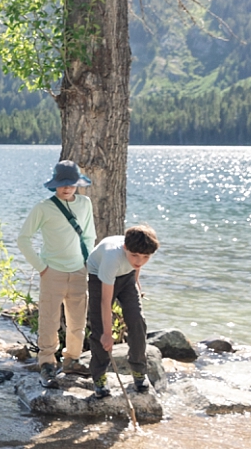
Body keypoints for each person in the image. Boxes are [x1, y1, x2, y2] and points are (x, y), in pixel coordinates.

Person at [16, 161, 96, 384]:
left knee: (77, 322)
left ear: (77, 184)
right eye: (62, 184)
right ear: (55, 185)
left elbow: (89, 236)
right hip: (52, 272)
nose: (67, 188)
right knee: (49, 322)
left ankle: (72, 360)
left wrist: (87, 264)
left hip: (79, 271)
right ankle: (47, 363)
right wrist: (41, 267)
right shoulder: (43, 207)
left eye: (71, 184)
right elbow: (23, 239)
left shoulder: (85, 204)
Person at [84, 224, 161, 398]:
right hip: (99, 276)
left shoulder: (138, 254)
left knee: (137, 321)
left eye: (145, 257)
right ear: (125, 247)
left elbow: (136, 266)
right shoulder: (112, 258)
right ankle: (99, 377)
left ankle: (139, 371)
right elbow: (105, 302)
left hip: (126, 278)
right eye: (135, 255)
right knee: (99, 330)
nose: (139, 260)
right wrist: (107, 333)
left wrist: (137, 285)